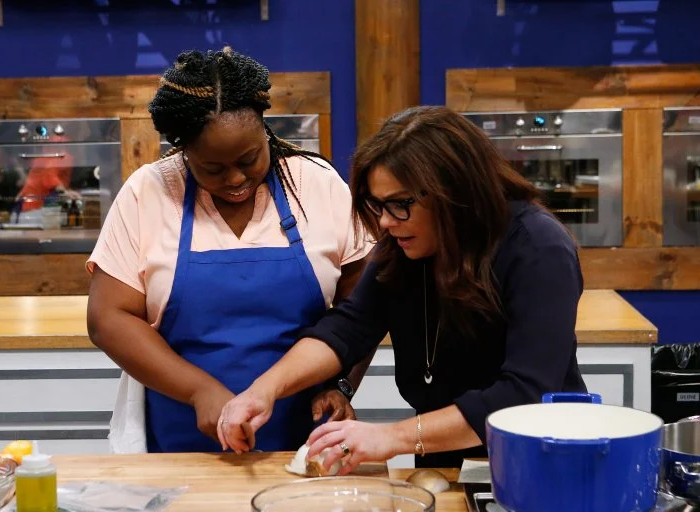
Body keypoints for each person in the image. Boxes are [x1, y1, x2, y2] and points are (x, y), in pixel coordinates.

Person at [217, 106, 588, 470]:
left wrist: (392, 437)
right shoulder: (404, 247)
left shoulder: (538, 247)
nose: (385, 221)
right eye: (377, 205)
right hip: (448, 453)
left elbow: (523, 393)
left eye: (399, 204)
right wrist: (264, 390)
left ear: (455, 193)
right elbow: (348, 327)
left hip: (546, 462)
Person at [86, 47, 373, 453]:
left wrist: (341, 384)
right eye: (212, 169)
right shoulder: (149, 191)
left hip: (305, 438)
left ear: (264, 128)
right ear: (184, 150)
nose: (236, 179)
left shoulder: (316, 184)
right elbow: (107, 318)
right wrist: (200, 391)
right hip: (181, 434)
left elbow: (363, 308)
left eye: (250, 158)